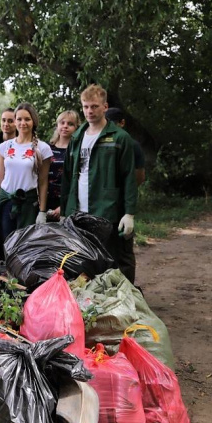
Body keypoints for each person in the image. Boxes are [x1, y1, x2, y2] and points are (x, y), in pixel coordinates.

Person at [62, 85, 138, 282]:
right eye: (86, 106)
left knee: (118, 260)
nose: (89, 111)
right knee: (84, 260)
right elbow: (68, 176)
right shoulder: (77, 137)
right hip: (80, 212)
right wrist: (65, 211)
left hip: (109, 211)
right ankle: (92, 305)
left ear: (105, 107)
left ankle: (127, 302)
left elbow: (130, 177)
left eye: (94, 106)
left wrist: (129, 213)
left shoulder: (120, 138)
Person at [0, 103, 53, 260]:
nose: (23, 123)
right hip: (6, 201)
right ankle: (4, 279)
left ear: (34, 121)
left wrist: (42, 212)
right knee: (5, 243)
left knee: (24, 247)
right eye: (19, 119)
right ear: (15, 121)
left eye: (27, 119)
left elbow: (43, 183)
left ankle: (21, 280)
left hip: (28, 204)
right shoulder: (4, 146)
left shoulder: (42, 149)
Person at [46, 110, 80, 221]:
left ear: (76, 128)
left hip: (67, 202)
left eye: (70, 124)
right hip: (45, 201)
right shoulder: (47, 148)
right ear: (57, 125)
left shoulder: (77, 150)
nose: (65, 126)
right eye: (62, 123)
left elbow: (78, 181)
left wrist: (64, 207)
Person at [105, 107, 146, 187]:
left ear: (122, 123)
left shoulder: (133, 146)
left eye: (112, 124)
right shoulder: (98, 144)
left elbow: (140, 176)